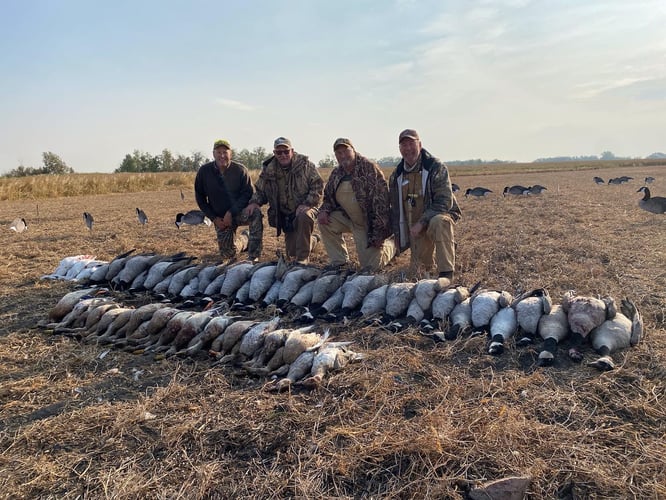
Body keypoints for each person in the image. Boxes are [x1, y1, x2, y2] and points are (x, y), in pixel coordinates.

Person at [388, 129, 461, 280]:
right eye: (403, 145)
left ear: (419, 145)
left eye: (411, 143)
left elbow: (444, 201)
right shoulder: (396, 176)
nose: (408, 149)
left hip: (435, 217)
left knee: (441, 222)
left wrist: (422, 222)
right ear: (399, 149)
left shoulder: (435, 167)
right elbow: (395, 209)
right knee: (420, 271)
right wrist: (397, 234)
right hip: (415, 225)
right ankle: (430, 263)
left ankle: (446, 274)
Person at [317, 138, 395, 270]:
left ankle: (393, 245)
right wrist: (324, 211)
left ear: (353, 150)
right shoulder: (337, 173)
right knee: (325, 222)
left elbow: (381, 204)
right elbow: (328, 198)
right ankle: (340, 262)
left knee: (371, 267)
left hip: (367, 224)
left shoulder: (369, 168)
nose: (343, 156)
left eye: (346, 151)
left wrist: (378, 233)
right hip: (347, 218)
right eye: (339, 153)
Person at [244, 137, 323, 264]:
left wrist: (307, 203)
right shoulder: (269, 169)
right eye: (279, 152)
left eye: (286, 151)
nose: (283, 155)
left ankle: (303, 259)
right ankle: (312, 240)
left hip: (306, 208)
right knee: (291, 254)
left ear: (292, 151)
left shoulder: (306, 165)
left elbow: (318, 186)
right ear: (274, 153)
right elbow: (261, 191)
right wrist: (254, 202)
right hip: (286, 215)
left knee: (304, 216)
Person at [194, 139, 262, 260]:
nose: (222, 156)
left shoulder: (240, 170)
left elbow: (248, 194)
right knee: (228, 255)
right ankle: (244, 239)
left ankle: (254, 255)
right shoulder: (204, 172)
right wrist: (214, 218)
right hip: (221, 219)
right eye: (218, 152)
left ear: (231, 153)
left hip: (239, 213)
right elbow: (200, 198)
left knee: (255, 213)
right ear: (213, 154)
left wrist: (231, 212)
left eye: (225, 152)